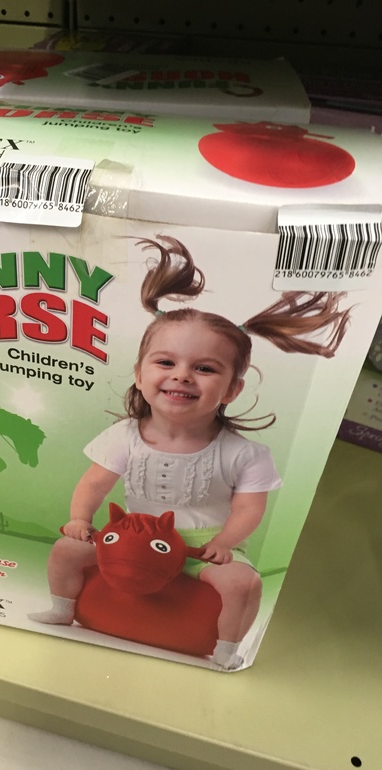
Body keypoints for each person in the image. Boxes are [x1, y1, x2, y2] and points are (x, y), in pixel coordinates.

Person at [29, 236, 351, 670]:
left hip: (202, 548)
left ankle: (226, 649)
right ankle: (62, 609)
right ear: (139, 374)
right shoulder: (124, 435)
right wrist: (80, 520)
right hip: (134, 541)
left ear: (232, 389)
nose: (182, 376)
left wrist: (224, 544)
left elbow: (249, 510)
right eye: (166, 363)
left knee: (243, 584)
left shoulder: (244, 454)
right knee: (65, 551)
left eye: (204, 368)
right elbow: (94, 483)